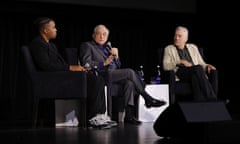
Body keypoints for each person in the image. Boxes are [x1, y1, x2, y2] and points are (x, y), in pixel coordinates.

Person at [29, 17, 117, 129]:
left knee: (97, 78)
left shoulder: (51, 45)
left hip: (61, 76)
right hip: (53, 80)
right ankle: (94, 118)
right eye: (54, 27)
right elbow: (46, 66)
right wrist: (70, 68)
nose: (56, 30)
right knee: (95, 80)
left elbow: (58, 64)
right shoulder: (37, 44)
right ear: (45, 30)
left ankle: (100, 116)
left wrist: (79, 69)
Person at [79, 24, 166, 125]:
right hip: (99, 75)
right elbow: (86, 63)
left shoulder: (108, 47)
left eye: (104, 34)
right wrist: (103, 63)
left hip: (113, 75)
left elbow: (118, 66)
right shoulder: (87, 45)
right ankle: (148, 98)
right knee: (129, 72)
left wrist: (117, 56)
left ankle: (129, 116)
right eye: (99, 34)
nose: (102, 37)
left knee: (129, 82)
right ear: (94, 35)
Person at [163, 26, 217, 101]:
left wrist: (207, 66)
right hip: (180, 72)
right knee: (197, 68)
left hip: (194, 71)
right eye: (175, 35)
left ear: (186, 39)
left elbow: (201, 63)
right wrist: (179, 61)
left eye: (179, 36)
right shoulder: (168, 49)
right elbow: (165, 66)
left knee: (195, 76)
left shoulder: (193, 47)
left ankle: (199, 105)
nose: (176, 38)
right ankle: (212, 98)